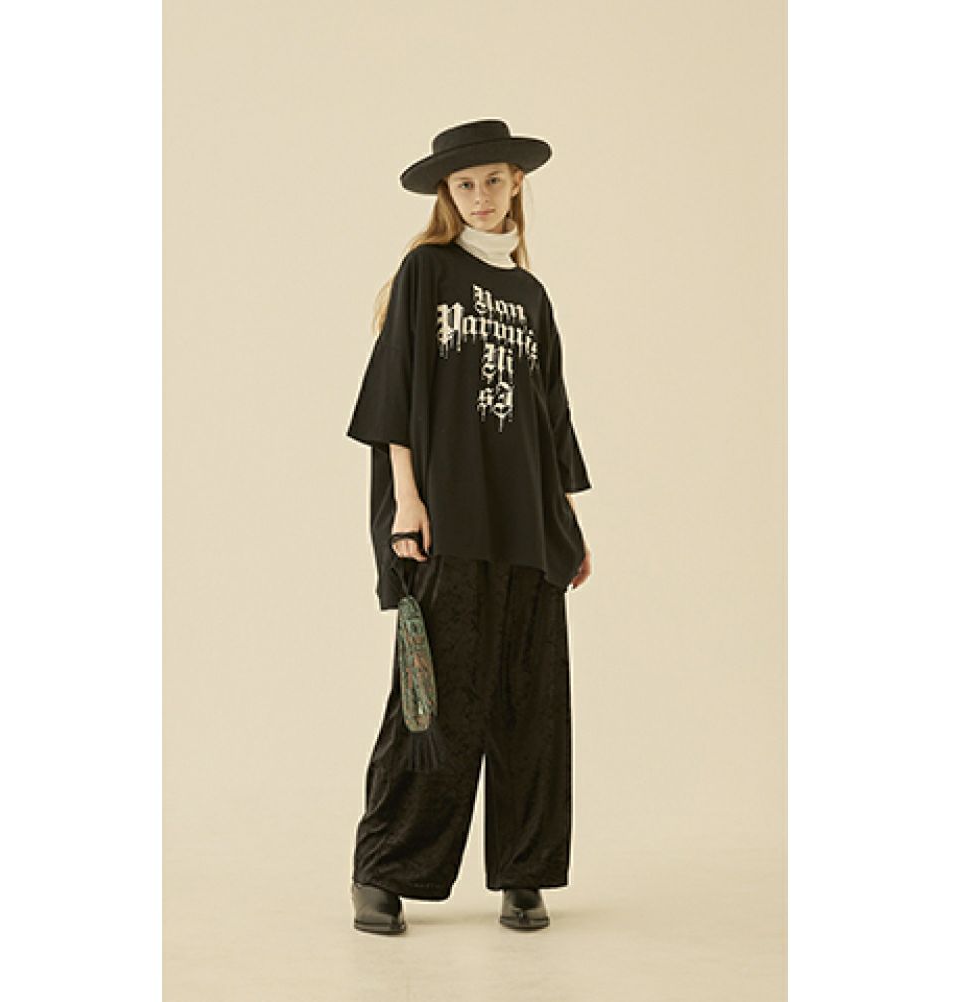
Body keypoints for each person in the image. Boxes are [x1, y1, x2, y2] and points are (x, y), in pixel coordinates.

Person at [345, 119, 593, 935]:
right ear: (447, 194)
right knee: (434, 702)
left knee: (531, 704)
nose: (480, 196)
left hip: (530, 526)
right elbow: (395, 392)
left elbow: (551, 416)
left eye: (493, 180)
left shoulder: (532, 296)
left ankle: (524, 874)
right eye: (465, 185)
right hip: (448, 518)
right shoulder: (427, 271)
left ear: (516, 182)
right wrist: (406, 503)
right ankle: (385, 872)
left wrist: (568, 521)